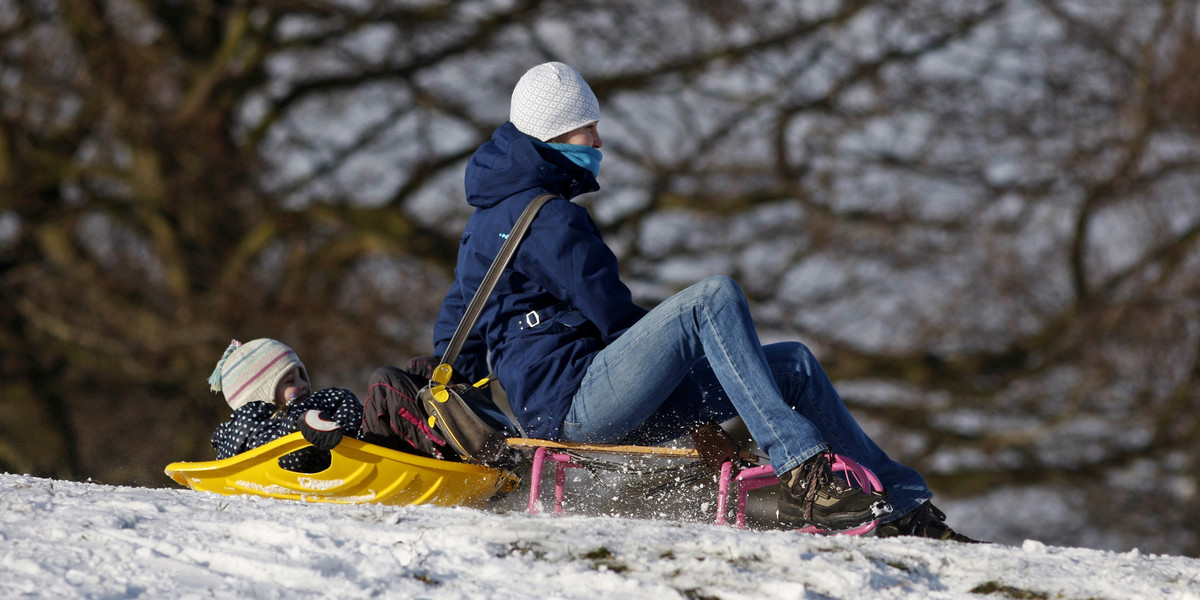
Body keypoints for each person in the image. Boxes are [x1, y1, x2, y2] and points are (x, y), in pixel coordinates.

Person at [432, 61, 977, 541]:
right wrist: (694, 409)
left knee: (791, 365)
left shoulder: (485, 224)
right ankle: (805, 469)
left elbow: (456, 330)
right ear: (555, 134)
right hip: (578, 410)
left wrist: (443, 388)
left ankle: (902, 505)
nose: (597, 141)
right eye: (588, 127)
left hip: (565, 407)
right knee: (711, 299)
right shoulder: (552, 218)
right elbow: (617, 321)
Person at [208, 338, 363, 473]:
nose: (303, 384)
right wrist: (300, 424)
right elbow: (276, 451)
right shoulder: (246, 425)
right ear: (261, 395)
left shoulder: (312, 409)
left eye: (301, 376)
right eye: (290, 381)